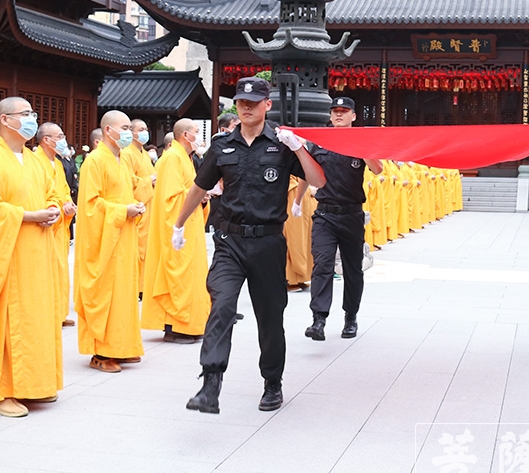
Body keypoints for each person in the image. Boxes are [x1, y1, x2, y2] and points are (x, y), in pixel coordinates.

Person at [173, 76, 325, 414]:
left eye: (253, 102)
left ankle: (272, 382)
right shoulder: (222, 145)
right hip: (229, 241)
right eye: (241, 101)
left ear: (267, 105)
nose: (245, 107)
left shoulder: (283, 144)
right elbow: (199, 187)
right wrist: (178, 223)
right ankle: (210, 383)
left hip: (268, 243)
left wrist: (299, 147)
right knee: (222, 305)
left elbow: (317, 181)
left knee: (270, 317)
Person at [0, 96, 63, 418]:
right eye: (26, 114)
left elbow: (53, 192)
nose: (32, 120)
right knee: (7, 322)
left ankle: (32, 386)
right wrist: (28, 215)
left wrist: (51, 209)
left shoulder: (36, 160)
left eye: (34, 114)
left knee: (36, 318)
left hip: (37, 254)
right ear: (6, 120)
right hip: (7, 255)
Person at [297, 97, 383, 341]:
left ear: (353, 116)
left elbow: (377, 169)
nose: (338, 115)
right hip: (325, 214)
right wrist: (296, 201)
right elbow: (307, 172)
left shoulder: (361, 142)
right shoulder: (319, 142)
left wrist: (362, 148)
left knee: (352, 269)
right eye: (335, 111)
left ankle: (351, 317)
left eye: (344, 111)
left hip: (351, 215)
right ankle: (319, 319)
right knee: (322, 265)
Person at [75, 111, 146, 373]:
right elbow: (90, 206)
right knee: (106, 294)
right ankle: (101, 352)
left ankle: (121, 347)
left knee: (124, 295)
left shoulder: (122, 161)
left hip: (123, 238)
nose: (130, 132)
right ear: (108, 130)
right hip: (104, 242)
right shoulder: (94, 161)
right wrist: (122, 211)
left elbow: (124, 193)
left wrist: (134, 206)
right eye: (125, 127)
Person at [141, 119, 210, 344]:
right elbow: (170, 197)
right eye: (196, 132)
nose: (199, 136)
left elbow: (188, 189)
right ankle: (175, 326)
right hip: (178, 226)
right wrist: (195, 195)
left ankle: (190, 323)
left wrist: (200, 195)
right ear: (184, 135)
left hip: (190, 225)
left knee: (191, 275)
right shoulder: (172, 157)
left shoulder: (185, 157)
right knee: (178, 274)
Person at [34, 123, 76, 328]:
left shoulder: (57, 163)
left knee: (60, 270)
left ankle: (59, 312)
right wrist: (58, 206)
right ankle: (47, 312)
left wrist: (68, 203)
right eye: (59, 136)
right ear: (46, 140)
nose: (63, 139)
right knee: (46, 270)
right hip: (47, 222)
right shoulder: (36, 161)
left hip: (61, 224)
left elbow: (64, 190)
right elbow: (38, 193)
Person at [121, 119, 156, 299]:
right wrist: (149, 181)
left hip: (149, 205)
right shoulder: (126, 154)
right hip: (137, 205)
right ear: (132, 132)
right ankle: (135, 285)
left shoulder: (144, 154)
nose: (144, 132)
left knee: (147, 247)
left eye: (146, 129)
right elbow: (129, 181)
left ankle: (144, 285)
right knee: (137, 248)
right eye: (140, 129)